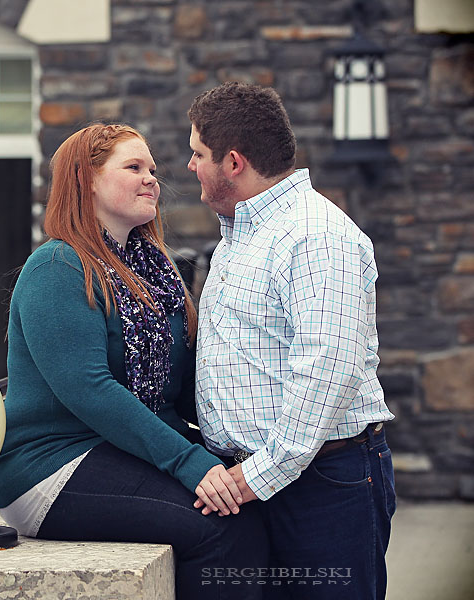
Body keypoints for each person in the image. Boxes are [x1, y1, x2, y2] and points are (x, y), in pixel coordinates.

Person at [0, 123, 268, 600]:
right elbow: (91, 391)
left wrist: (251, 451)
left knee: (255, 500)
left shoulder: (152, 270)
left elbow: (181, 387)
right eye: (133, 167)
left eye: (153, 169)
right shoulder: (57, 267)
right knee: (223, 527)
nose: (151, 179)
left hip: (117, 452)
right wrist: (191, 463)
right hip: (51, 466)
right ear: (87, 180)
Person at [187, 82, 396, 599]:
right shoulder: (244, 232)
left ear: (233, 162)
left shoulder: (316, 235)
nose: (190, 166)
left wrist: (255, 478)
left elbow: (328, 371)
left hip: (321, 486)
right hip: (258, 482)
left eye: (197, 154)